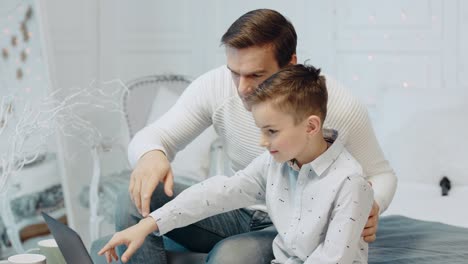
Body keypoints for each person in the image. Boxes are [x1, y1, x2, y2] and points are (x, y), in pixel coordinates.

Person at [112, 8, 396, 264]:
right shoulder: (264, 155)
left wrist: (370, 206)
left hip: (291, 226)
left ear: (290, 64)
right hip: (241, 208)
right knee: (134, 200)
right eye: (235, 73)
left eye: (256, 75)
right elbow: (221, 187)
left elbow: (381, 174)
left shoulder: (339, 108)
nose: (241, 88)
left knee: (230, 257)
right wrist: (151, 155)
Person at [100, 64, 375, 263]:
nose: (262, 142)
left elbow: (333, 259)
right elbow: (219, 192)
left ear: (311, 126)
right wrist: (147, 225)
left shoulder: (350, 182)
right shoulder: (275, 163)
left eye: (271, 131)